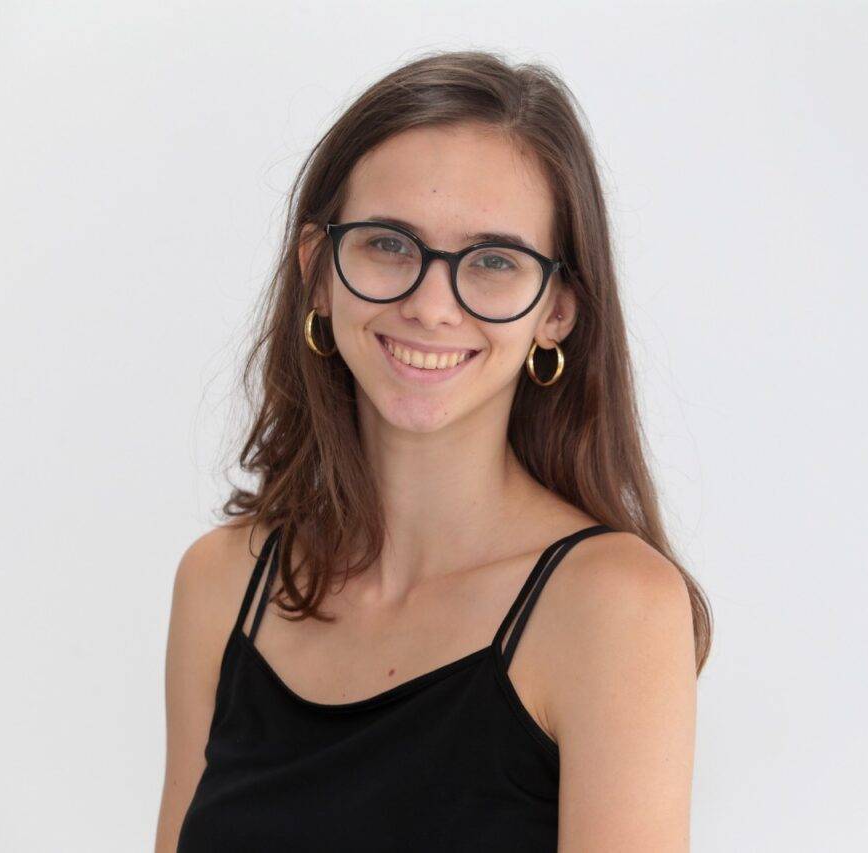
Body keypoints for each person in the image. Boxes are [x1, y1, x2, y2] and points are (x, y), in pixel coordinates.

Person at [156, 49, 711, 852]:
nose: (431, 304)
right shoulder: (222, 581)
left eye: (494, 261)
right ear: (318, 271)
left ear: (556, 310)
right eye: (388, 243)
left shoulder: (614, 608)